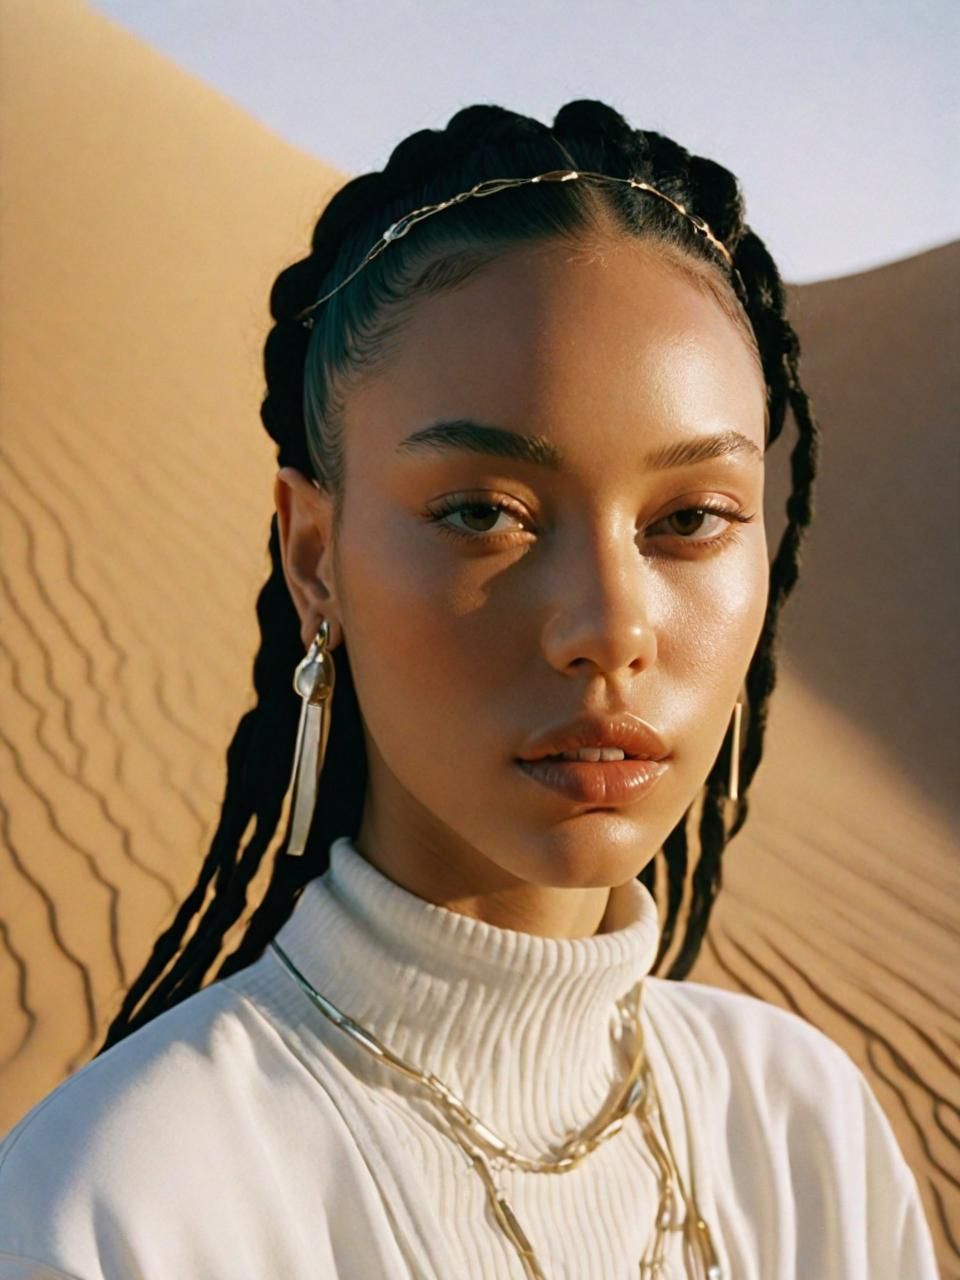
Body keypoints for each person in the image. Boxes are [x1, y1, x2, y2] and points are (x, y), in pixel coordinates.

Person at [0, 99, 939, 1280]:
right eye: (483, 512)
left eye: (691, 518)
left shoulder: (805, 1129)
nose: (609, 628)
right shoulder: (119, 1204)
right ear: (313, 557)